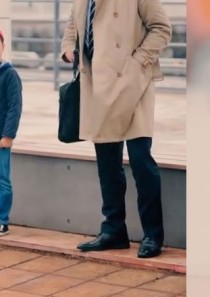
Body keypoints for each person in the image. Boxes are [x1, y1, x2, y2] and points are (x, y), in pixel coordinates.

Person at [61, 1, 171, 258]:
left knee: (142, 163)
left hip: (133, 86)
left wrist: (137, 63)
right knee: (107, 165)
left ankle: (153, 234)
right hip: (98, 87)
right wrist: (68, 50)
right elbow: (72, 27)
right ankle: (113, 230)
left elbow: (162, 28)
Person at [0, 30, 23, 236]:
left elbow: (14, 107)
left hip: (1, 139)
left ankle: (2, 220)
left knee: (2, 179)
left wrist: (8, 135)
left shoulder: (9, 75)